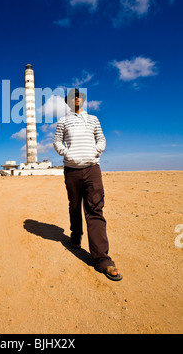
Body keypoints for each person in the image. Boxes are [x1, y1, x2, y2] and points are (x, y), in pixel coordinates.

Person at [53, 88, 122, 281]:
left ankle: (102, 259)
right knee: (74, 206)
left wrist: (96, 152)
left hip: (92, 169)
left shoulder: (93, 119)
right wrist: (66, 153)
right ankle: (76, 235)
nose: (75, 98)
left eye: (78, 95)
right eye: (71, 96)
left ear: (81, 99)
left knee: (95, 210)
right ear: (67, 101)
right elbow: (57, 142)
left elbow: (101, 138)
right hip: (71, 170)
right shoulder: (63, 121)